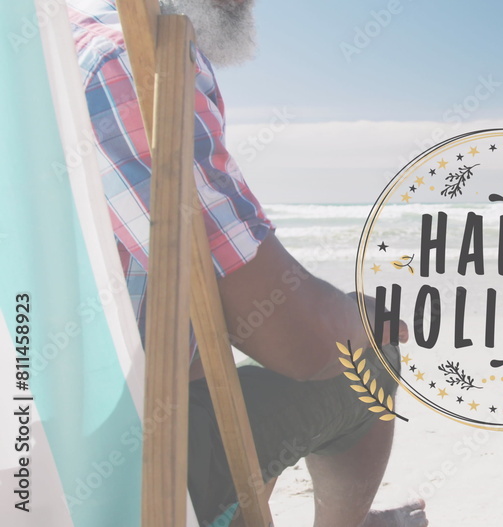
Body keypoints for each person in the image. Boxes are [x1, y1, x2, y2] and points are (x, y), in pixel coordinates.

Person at [66, 1, 427, 525]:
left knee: (221, 378)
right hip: (118, 475)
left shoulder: (46, 50)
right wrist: (364, 319)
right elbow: (301, 342)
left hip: (29, 455)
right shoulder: (134, 61)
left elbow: (183, 333)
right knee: (370, 353)